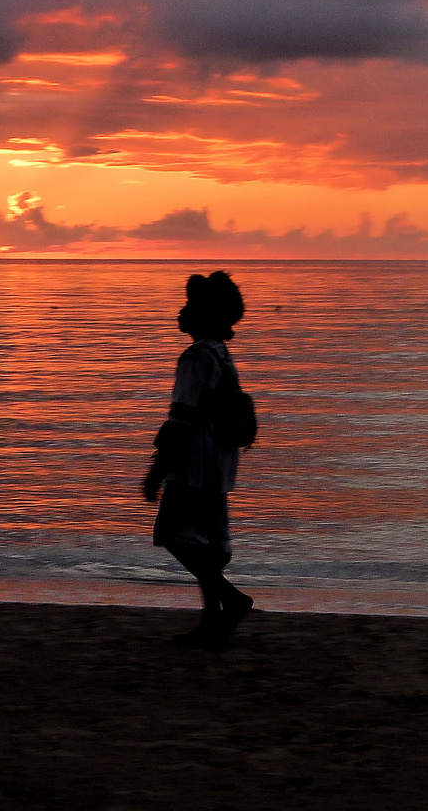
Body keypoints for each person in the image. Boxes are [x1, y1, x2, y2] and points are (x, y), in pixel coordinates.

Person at [142, 271, 254, 648]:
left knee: (173, 535)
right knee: (208, 544)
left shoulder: (195, 358)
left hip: (193, 465)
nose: (181, 311)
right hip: (218, 466)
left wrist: (156, 471)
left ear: (203, 315)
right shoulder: (222, 354)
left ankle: (230, 601)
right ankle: (213, 616)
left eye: (188, 306)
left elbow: (181, 417)